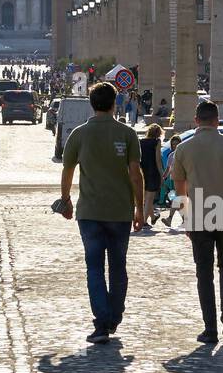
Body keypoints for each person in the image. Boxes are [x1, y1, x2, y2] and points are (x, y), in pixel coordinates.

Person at [57, 81, 144, 344]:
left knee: (94, 268)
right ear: (115, 103)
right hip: (120, 212)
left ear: (91, 104)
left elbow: (67, 170)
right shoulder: (127, 134)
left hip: (90, 212)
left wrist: (65, 200)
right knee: (118, 267)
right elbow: (136, 175)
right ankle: (114, 316)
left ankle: (101, 321)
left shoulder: (79, 134)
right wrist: (140, 208)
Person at [170, 101, 223, 344]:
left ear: (196, 121)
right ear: (217, 120)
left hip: (199, 216)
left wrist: (186, 218)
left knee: (204, 272)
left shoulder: (184, 149)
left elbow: (180, 190)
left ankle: (210, 329)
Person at [139, 123, 164, 225]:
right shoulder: (156, 142)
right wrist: (161, 174)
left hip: (142, 170)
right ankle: (144, 221)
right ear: (158, 133)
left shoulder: (141, 141)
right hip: (153, 171)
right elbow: (158, 159)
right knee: (150, 198)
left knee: (146, 198)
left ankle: (153, 217)